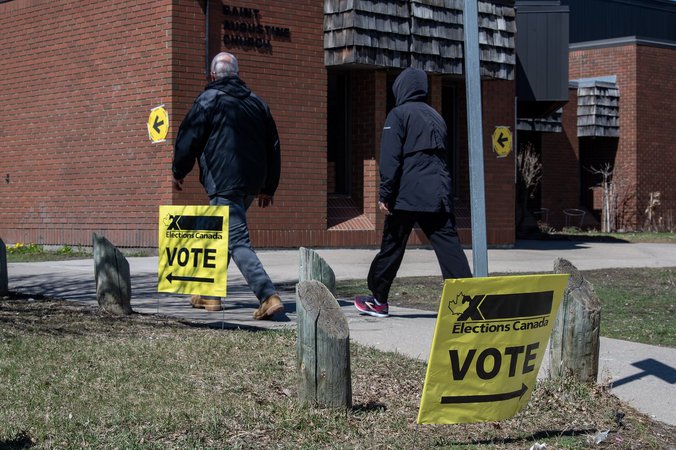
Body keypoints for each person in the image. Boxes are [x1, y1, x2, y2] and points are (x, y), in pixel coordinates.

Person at [172, 52, 283, 320]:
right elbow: (274, 146)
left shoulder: (208, 100)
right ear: (237, 74)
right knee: (223, 235)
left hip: (224, 182)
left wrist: (178, 171)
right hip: (251, 183)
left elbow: (188, 137)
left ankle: (268, 295)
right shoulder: (257, 103)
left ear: (213, 75)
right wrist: (268, 186)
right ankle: (209, 294)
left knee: (236, 240)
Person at [355, 67, 472, 318]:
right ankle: (468, 304)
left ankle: (378, 300)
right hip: (439, 193)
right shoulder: (437, 116)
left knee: (393, 245)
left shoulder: (398, 115)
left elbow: (390, 158)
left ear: (401, 89)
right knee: (449, 246)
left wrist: (385, 193)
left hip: (407, 195)